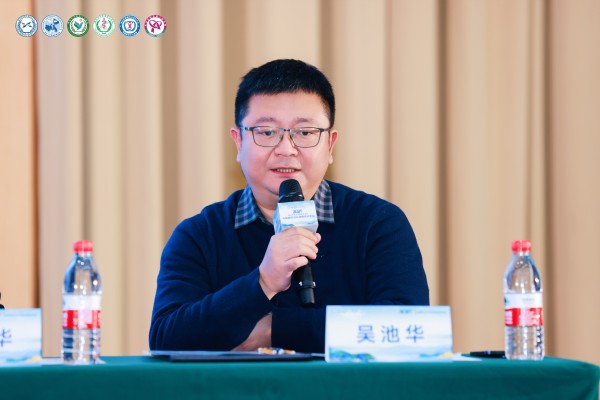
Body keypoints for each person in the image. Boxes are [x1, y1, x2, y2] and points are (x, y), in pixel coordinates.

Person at [149, 59, 429, 353]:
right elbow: (167, 339)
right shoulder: (199, 235)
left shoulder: (377, 223)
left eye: (305, 132)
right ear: (238, 142)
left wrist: (274, 330)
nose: (285, 149)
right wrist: (263, 281)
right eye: (266, 132)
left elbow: (408, 332)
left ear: (330, 145)